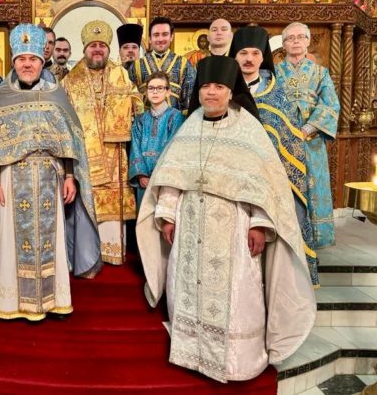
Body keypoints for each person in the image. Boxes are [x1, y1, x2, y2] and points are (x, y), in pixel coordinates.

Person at [136, 55, 316, 383]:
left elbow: (264, 185)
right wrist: (168, 215)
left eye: (218, 86)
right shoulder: (190, 126)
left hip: (233, 228)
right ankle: (191, 353)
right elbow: (172, 175)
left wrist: (259, 223)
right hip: (190, 224)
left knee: (237, 294)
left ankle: (235, 362)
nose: (211, 92)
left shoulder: (248, 129)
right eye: (206, 86)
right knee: (188, 287)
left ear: (231, 91)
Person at [0, 24, 101, 321]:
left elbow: (70, 140)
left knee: (53, 240)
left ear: (41, 60)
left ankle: (55, 300)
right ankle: (12, 303)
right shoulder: (1, 97)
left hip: (50, 177)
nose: (27, 64)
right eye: (21, 59)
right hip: (10, 178)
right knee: (11, 241)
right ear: (14, 62)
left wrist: (70, 176)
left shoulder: (55, 95)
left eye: (32, 59)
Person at [229, 25, 318, 285]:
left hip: (269, 180)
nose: (249, 59)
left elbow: (289, 139)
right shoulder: (223, 90)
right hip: (231, 180)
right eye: (243, 53)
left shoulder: (278, 94)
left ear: (263, 57)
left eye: (255, 53)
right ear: (234, 56)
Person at [63, 20, 142, 265]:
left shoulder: (121, 74)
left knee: (113, 210)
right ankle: (87, 256)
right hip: (84, 154)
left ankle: (112, 253)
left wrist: (132, 105)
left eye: (102, 45)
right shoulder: (70, 80)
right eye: (93, 45)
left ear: (108, 49)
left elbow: (137, 102)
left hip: (115, 153)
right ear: (85, 48)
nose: (97, 49)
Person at [276, 22, 340, 249]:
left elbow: (330, 105)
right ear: (283, 44)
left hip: (311, 141)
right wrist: (285, 131)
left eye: (300, 37)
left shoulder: (321, 73)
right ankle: (284, 236)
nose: (295, 41)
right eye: (290, 38)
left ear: (308, 41)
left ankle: (314, 238)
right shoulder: (274, 73)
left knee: (312, 185)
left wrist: (307, 129)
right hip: (281, 141)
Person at [129, 71, 183, 208]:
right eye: (151, 88)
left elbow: (173, 148)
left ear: (168, 92)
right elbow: (135, 147)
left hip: (165, 179)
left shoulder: (176, 117)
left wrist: (158, 175)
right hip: (144, 180)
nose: (155, 92)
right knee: (144, 215)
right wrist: (141, 175)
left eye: (160, 88)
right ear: (146, 92)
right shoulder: (140, 119)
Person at [129, 16, 196, 113]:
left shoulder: (184, 64)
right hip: (145, 120)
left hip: (176, 121)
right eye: (156, 35)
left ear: (171, 37)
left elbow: (189, 101)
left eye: (165, 34)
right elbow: (130, 98)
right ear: (150, 38)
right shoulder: (136, 66)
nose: (160, 39)